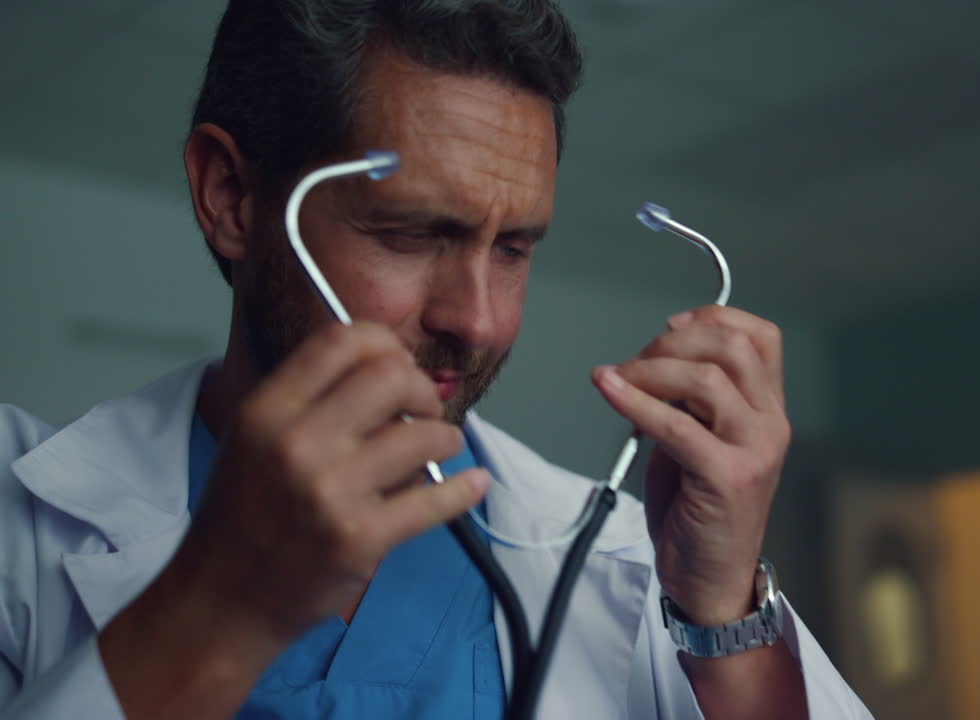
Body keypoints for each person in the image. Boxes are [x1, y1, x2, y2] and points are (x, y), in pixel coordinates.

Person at [0, 1, 872, 718]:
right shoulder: (18, 524)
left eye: (514, 248)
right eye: (412, 233)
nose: (480, 321)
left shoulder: (629, 562)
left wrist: (722, 620)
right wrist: (216, 612)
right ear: (229, 196)